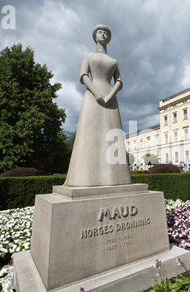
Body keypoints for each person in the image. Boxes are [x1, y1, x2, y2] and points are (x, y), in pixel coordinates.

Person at [64, 25, 131, 187]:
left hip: (111, 99)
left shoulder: (114, 61)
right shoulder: (88, 55)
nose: (103, 34)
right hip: (92, 97)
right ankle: (82, 178)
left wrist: (110, 95)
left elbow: (120, 81)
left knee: (112, 136)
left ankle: (117, 179)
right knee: (89, 134)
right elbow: (83, 76)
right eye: (100, 32)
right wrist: (97, 93)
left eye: (106, 32)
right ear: (95, 36)